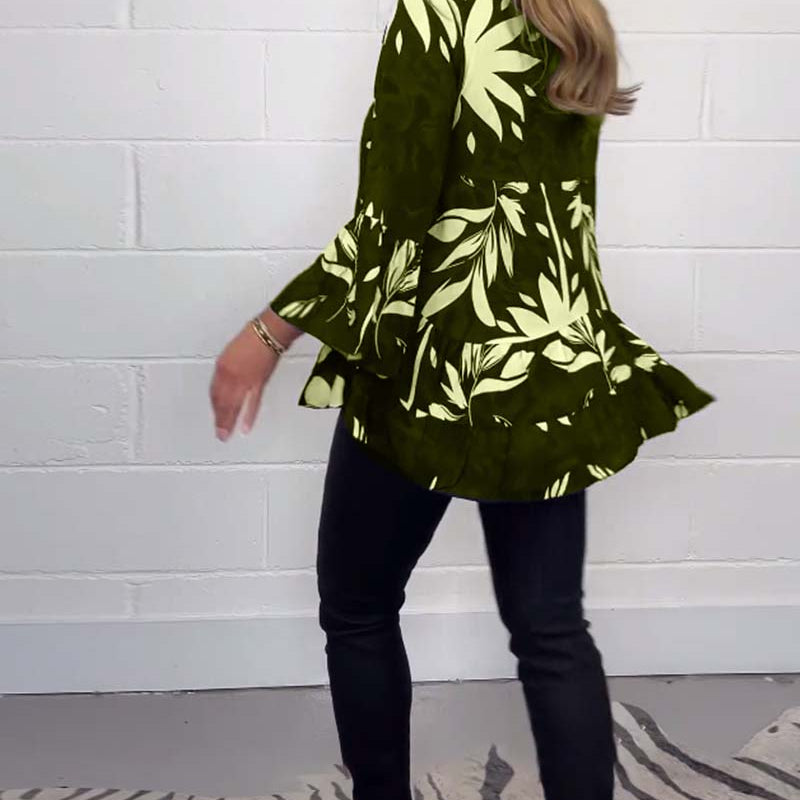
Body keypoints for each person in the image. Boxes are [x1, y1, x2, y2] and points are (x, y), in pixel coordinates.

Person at [209, 1, 717, 798]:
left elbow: (390, 227)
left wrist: (268, 333)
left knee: (358, 606)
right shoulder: (571, 14)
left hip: (437, 367)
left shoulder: (438, 12)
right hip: (551, 359)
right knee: (551, 631)